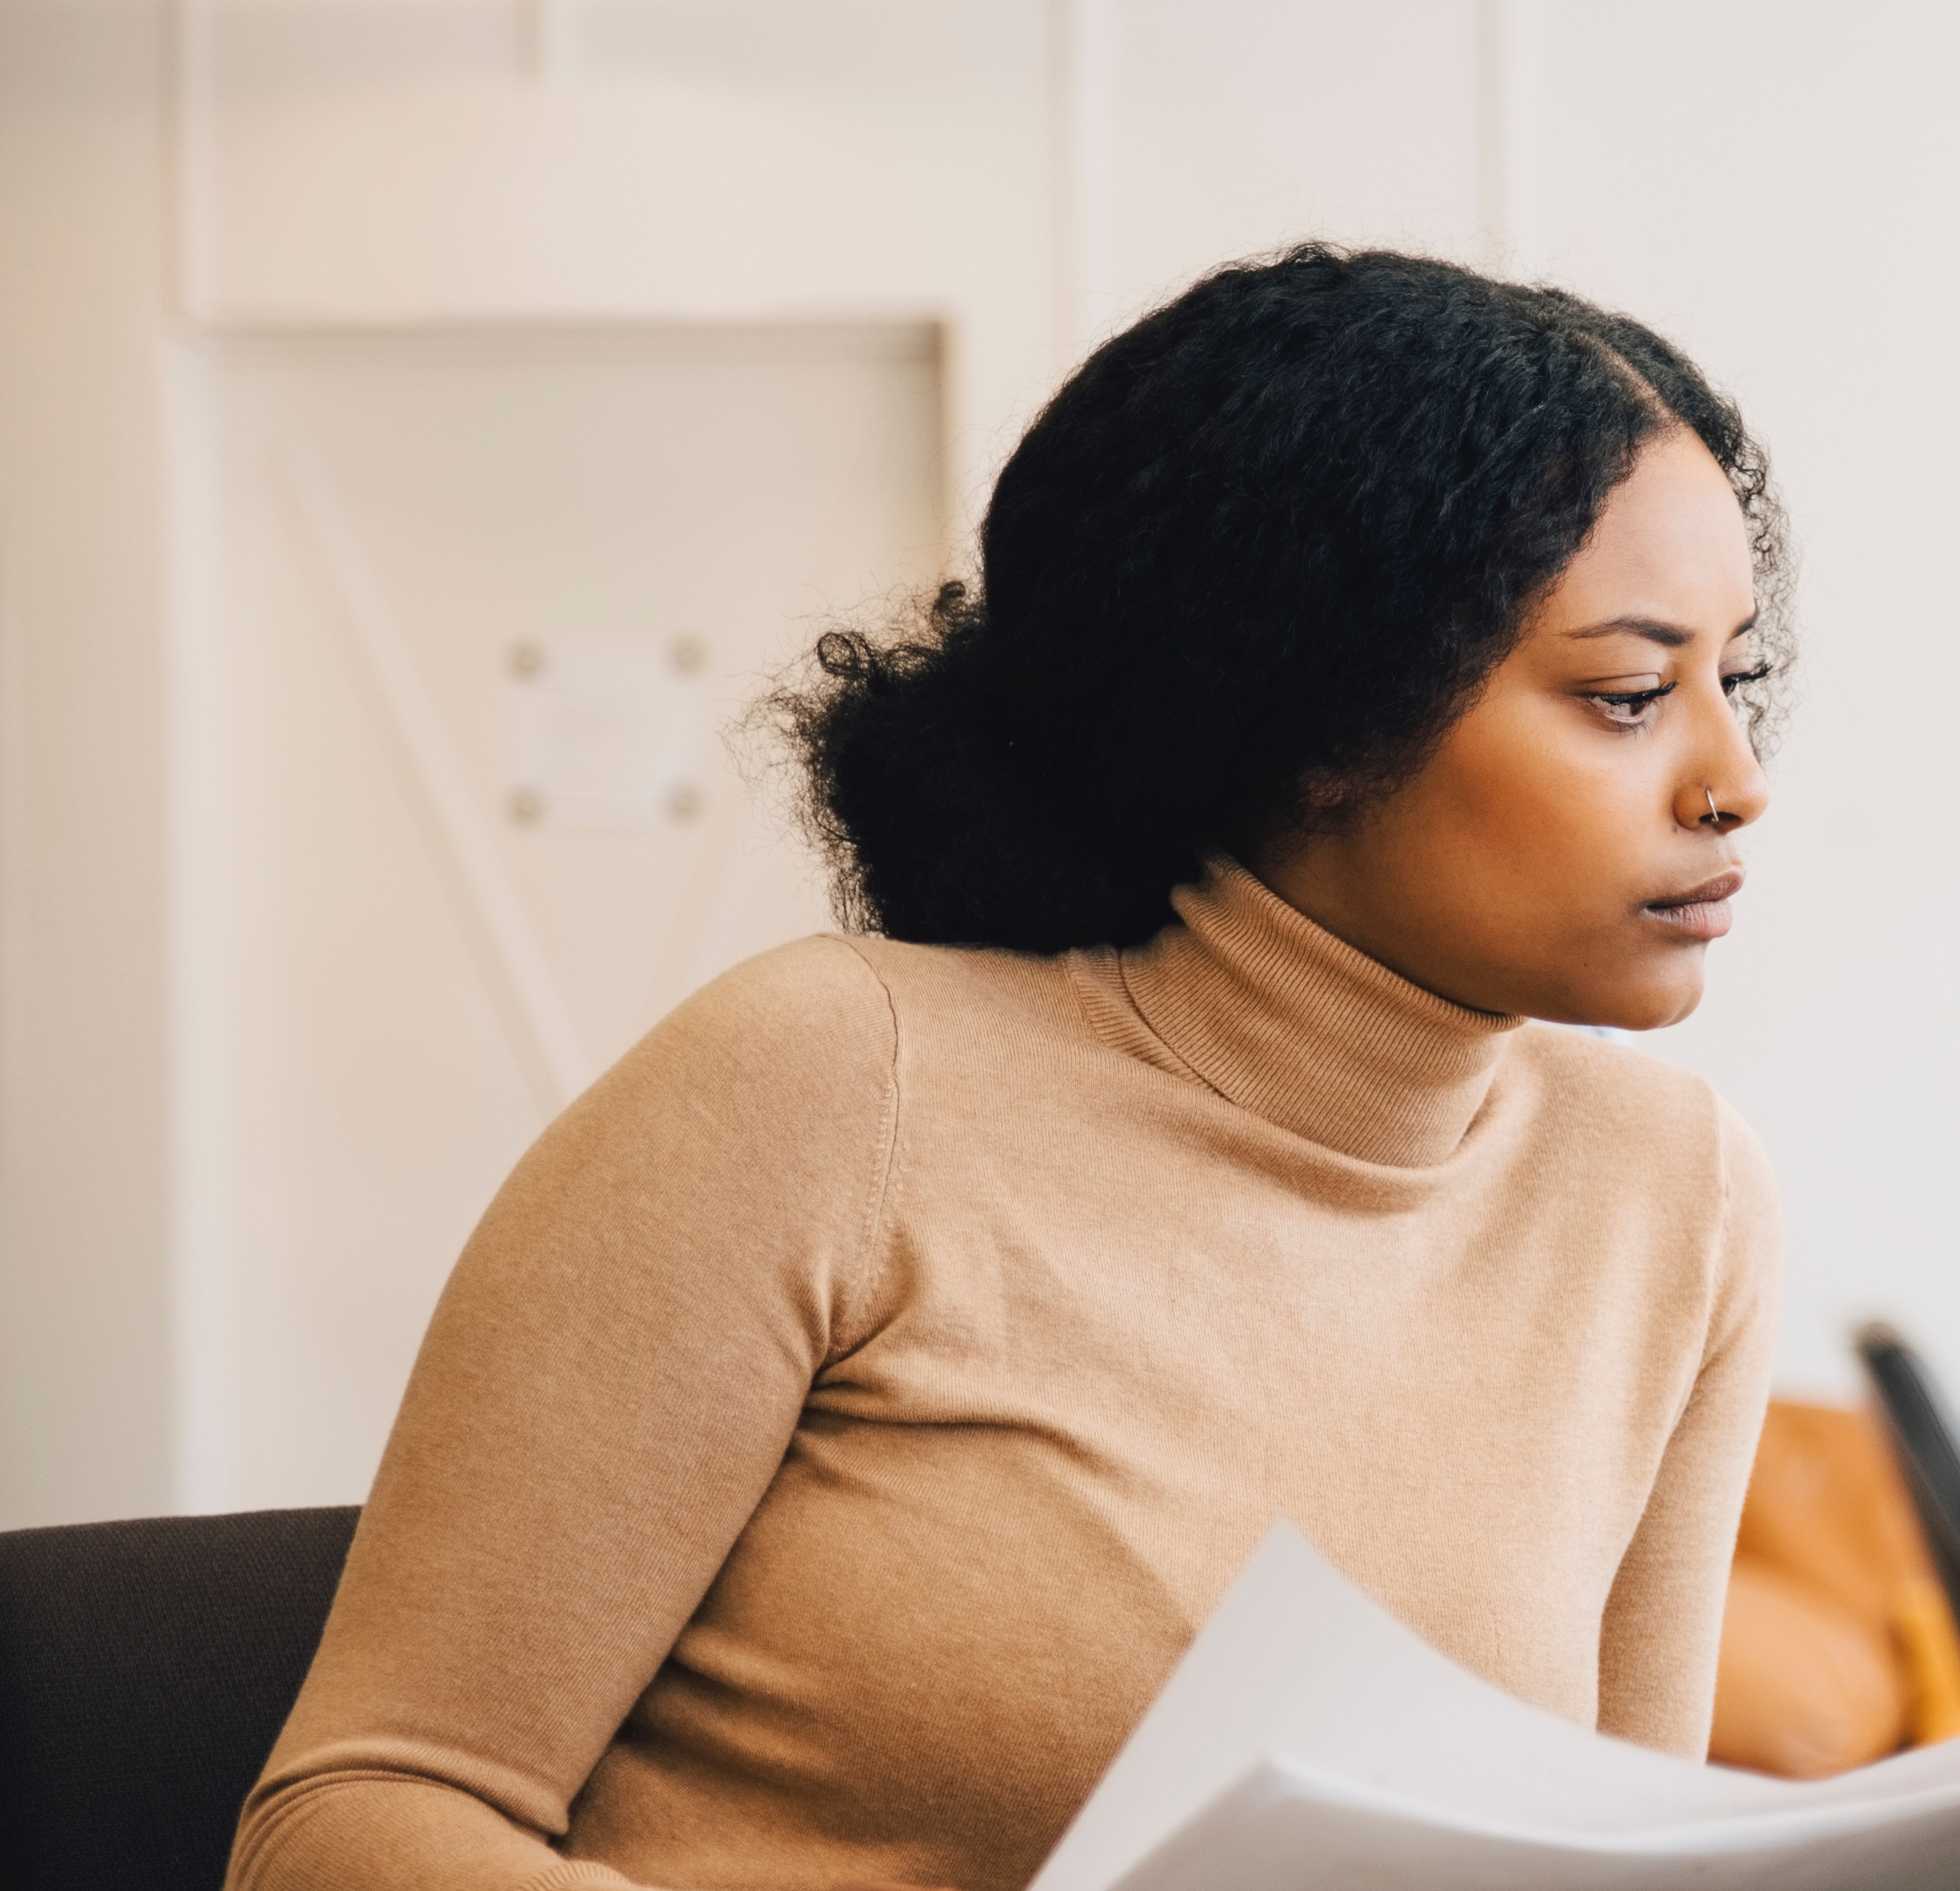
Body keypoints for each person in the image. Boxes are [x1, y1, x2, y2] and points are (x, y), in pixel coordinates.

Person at [231, 247, 1791, 1891]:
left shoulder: (1672, 1194)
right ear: (1320, 710)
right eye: (1629, 693)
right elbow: (352, 1822)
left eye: (1733, 679)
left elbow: (1622, 1853)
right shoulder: (831, 1085)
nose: (1737, 779)